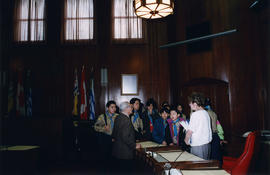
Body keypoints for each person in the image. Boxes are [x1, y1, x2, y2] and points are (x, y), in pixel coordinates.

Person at [112, 101, 141, 173]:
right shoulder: (126, 120)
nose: (132, 108)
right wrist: (134, 145)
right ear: (126, 109)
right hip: (125, 153)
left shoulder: (118, 117)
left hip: (118, 151)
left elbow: (114, 134)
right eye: (131, 107)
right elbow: (125, 137)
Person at [185, 92, 212, 160]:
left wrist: (186, 140)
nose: (189, 105)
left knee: (197, 167)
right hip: (207, 145)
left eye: (190, 103)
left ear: (195, 104)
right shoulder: (206, 113)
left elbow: (190, 131)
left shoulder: (195, 114)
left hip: (198, 146)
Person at [205, 98, 222, 163]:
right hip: (215, 136)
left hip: (210, 136)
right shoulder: (213, 112)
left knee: (212, 160)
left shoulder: (205, 113)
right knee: (217, 158)